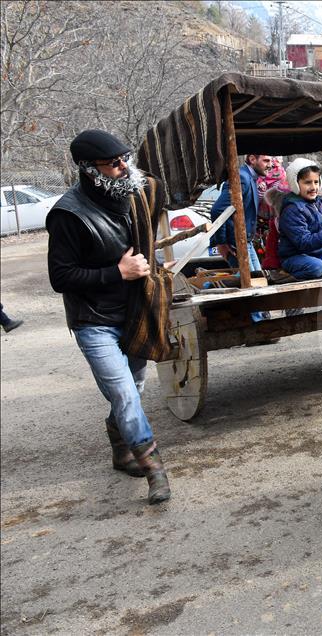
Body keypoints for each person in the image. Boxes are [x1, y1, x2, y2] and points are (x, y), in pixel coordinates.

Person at [46, 130, 173, 505]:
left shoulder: (134, 193)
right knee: (123, 392)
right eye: (114, 163)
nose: (124, 167)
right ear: (89, 169)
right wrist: (118, 272)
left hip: (136, 313)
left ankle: (120, 450)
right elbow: (60, 277)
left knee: (133, 391)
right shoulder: (68, 214)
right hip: (94, 321)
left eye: (125, 158)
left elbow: (159, 196)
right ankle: (155, 470)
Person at [277, 160, 322, 280]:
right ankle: (283, 278)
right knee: (316, 267)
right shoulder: (292, 210)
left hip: (316, 253)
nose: (313, 187)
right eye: (307, 183)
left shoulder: (320, 202)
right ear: (295, 183)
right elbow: (304, 242)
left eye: (316, 182)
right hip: (294, 257)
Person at [210, 154, 272, 273]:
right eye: (266, 161)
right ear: (252, 159)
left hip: (245, 241)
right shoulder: (242, 177)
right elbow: (217, 210)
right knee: (250, 283)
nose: (270, 165)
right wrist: (221, 242)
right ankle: (208, 287)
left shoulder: (249, 177)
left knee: (259, 280)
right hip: (236, 242)